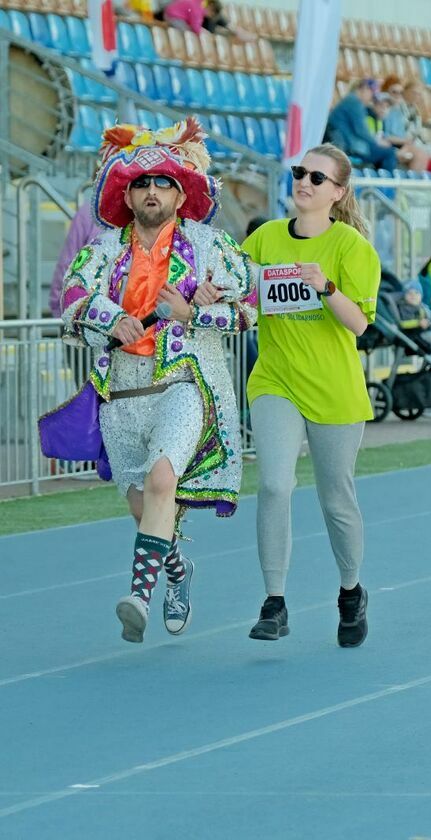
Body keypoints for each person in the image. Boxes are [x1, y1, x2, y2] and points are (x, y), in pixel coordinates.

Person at [56, 118, 257, 643]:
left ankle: (137, 598)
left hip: (184, 383)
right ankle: (176, 570)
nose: (150, 191)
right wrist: (107, 317)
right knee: (144, 507)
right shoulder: (101, 250)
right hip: (120, 393)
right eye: (140, 183)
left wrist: (193, 314)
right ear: (126, 195)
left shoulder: (211, 246)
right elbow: (72, 298)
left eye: (161, 182)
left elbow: (249, 308)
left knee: (162, 481)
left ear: (180, 191)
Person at [235, 144, 381, 647]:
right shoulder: (264, 238)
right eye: (300, 173)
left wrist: (326, 287)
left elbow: (360, 324)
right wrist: (217, 296)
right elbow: (242, 296)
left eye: (318, 178)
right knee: (275, 484)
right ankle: (274, 602)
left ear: (338, 193)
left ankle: (350, 589)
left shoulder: (352, 247)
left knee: (336, 498)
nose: (305, 183)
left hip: (334, 389)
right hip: (275, 379)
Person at [324, 79, 398, 172]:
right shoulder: (354, 102)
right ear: (365, 89)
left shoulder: (352, 100)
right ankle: (386, 185)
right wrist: (376, 142)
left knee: (385, 152)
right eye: (372, 94)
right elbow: (361, 130)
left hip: (348, 143)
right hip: (350, 146)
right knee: (389, 153)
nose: (371, 99)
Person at [50, 197, 105, 317]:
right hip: (89, 313)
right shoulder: (89, 213)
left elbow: (67, 263)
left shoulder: (89, 212)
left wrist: (59, 306)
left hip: (89, 313)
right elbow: (68, 263)